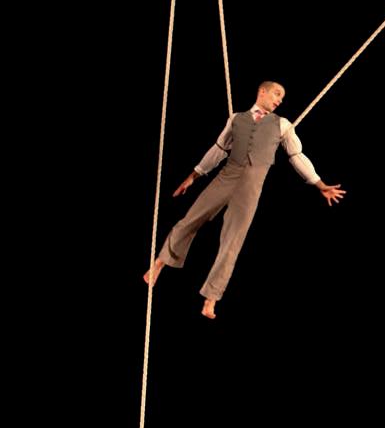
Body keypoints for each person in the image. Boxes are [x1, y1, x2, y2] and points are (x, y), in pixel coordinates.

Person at [144, 81, 346, 318]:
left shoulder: (282, 124)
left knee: (232, 241)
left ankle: (211, 298)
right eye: (277, 94)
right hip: (226, 177)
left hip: (251, 186)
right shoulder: (236, 118)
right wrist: (193, 176)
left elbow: (297, 156)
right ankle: (158, 265)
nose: (280, 100)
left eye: (282, 97)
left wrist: (319, 184)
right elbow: (218, 150)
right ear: (262, 91)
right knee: (190, 220)